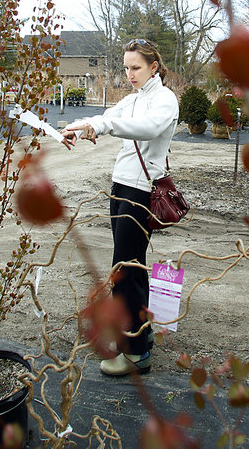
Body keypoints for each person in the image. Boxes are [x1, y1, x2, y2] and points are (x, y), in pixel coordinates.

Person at [61, 39, 179, 376]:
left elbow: (147, 128)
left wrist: (102, 126)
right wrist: (76, 129)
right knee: (132, 268)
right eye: (126, 67)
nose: (129, 74)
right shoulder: (133, 100)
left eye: (136, 67)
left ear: (153, 66)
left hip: (141, 192)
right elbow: (104, 117)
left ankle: (135, 353)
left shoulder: (164, 100)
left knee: (125, 270)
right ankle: (140, 335)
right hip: (122, 188)